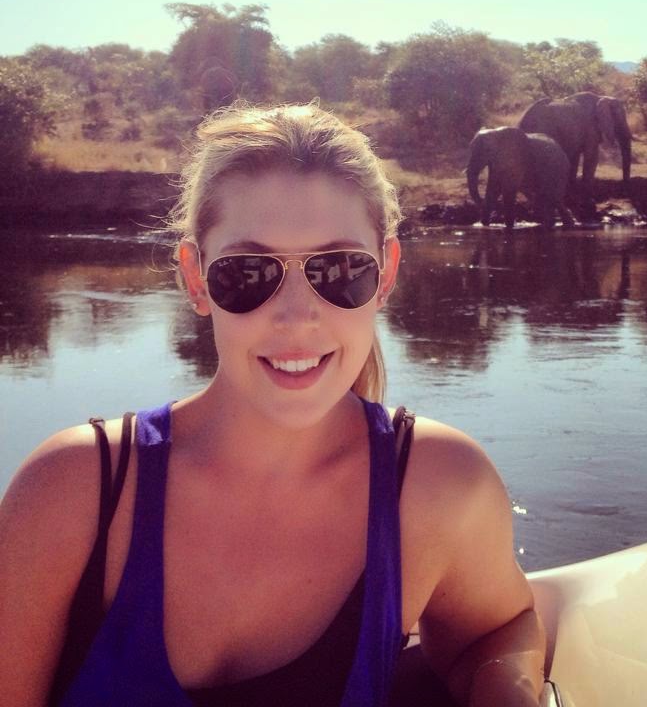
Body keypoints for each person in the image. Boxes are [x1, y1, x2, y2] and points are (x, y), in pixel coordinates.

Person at [0, 102, 545, 707]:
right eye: (249, 272)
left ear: (386, 274)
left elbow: (497, 629)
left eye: (339, 270)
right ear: (196, 279)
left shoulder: (435, 485)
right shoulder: (76, 493)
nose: (296, 316)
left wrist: (509, 690)